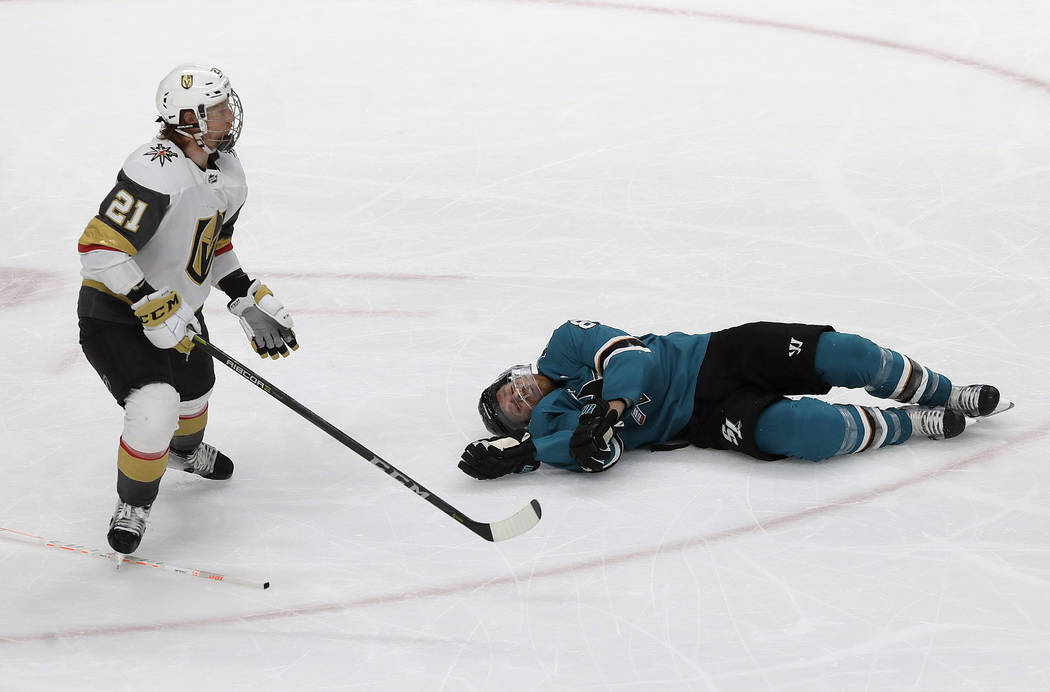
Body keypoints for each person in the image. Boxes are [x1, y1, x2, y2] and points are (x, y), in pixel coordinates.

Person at [77, 64, 299, 554]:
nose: (228, 116)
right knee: (154, 408)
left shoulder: (227, 171)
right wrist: (146, 302)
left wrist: (243, 297)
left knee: (196, 391)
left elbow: (212, 244)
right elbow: (99, 247)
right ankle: (134, 502)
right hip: (114, 311)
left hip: (176, 311)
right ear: (186, 118)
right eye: (217, 109)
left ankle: (184, 453)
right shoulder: (154, 169)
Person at [459, 320, 1006, 479]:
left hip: (717, 355)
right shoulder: (553, 424)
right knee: (809, 432)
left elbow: (633, 360)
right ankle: (918, 422)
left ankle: (947, 392)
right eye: (514, 409)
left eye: (511, 387)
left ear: (516, 372)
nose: (521, 395)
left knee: (847, 354)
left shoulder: (565, 342)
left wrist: (611, 410)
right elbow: (594, 454)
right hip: (706, 417)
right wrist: (526, 456)